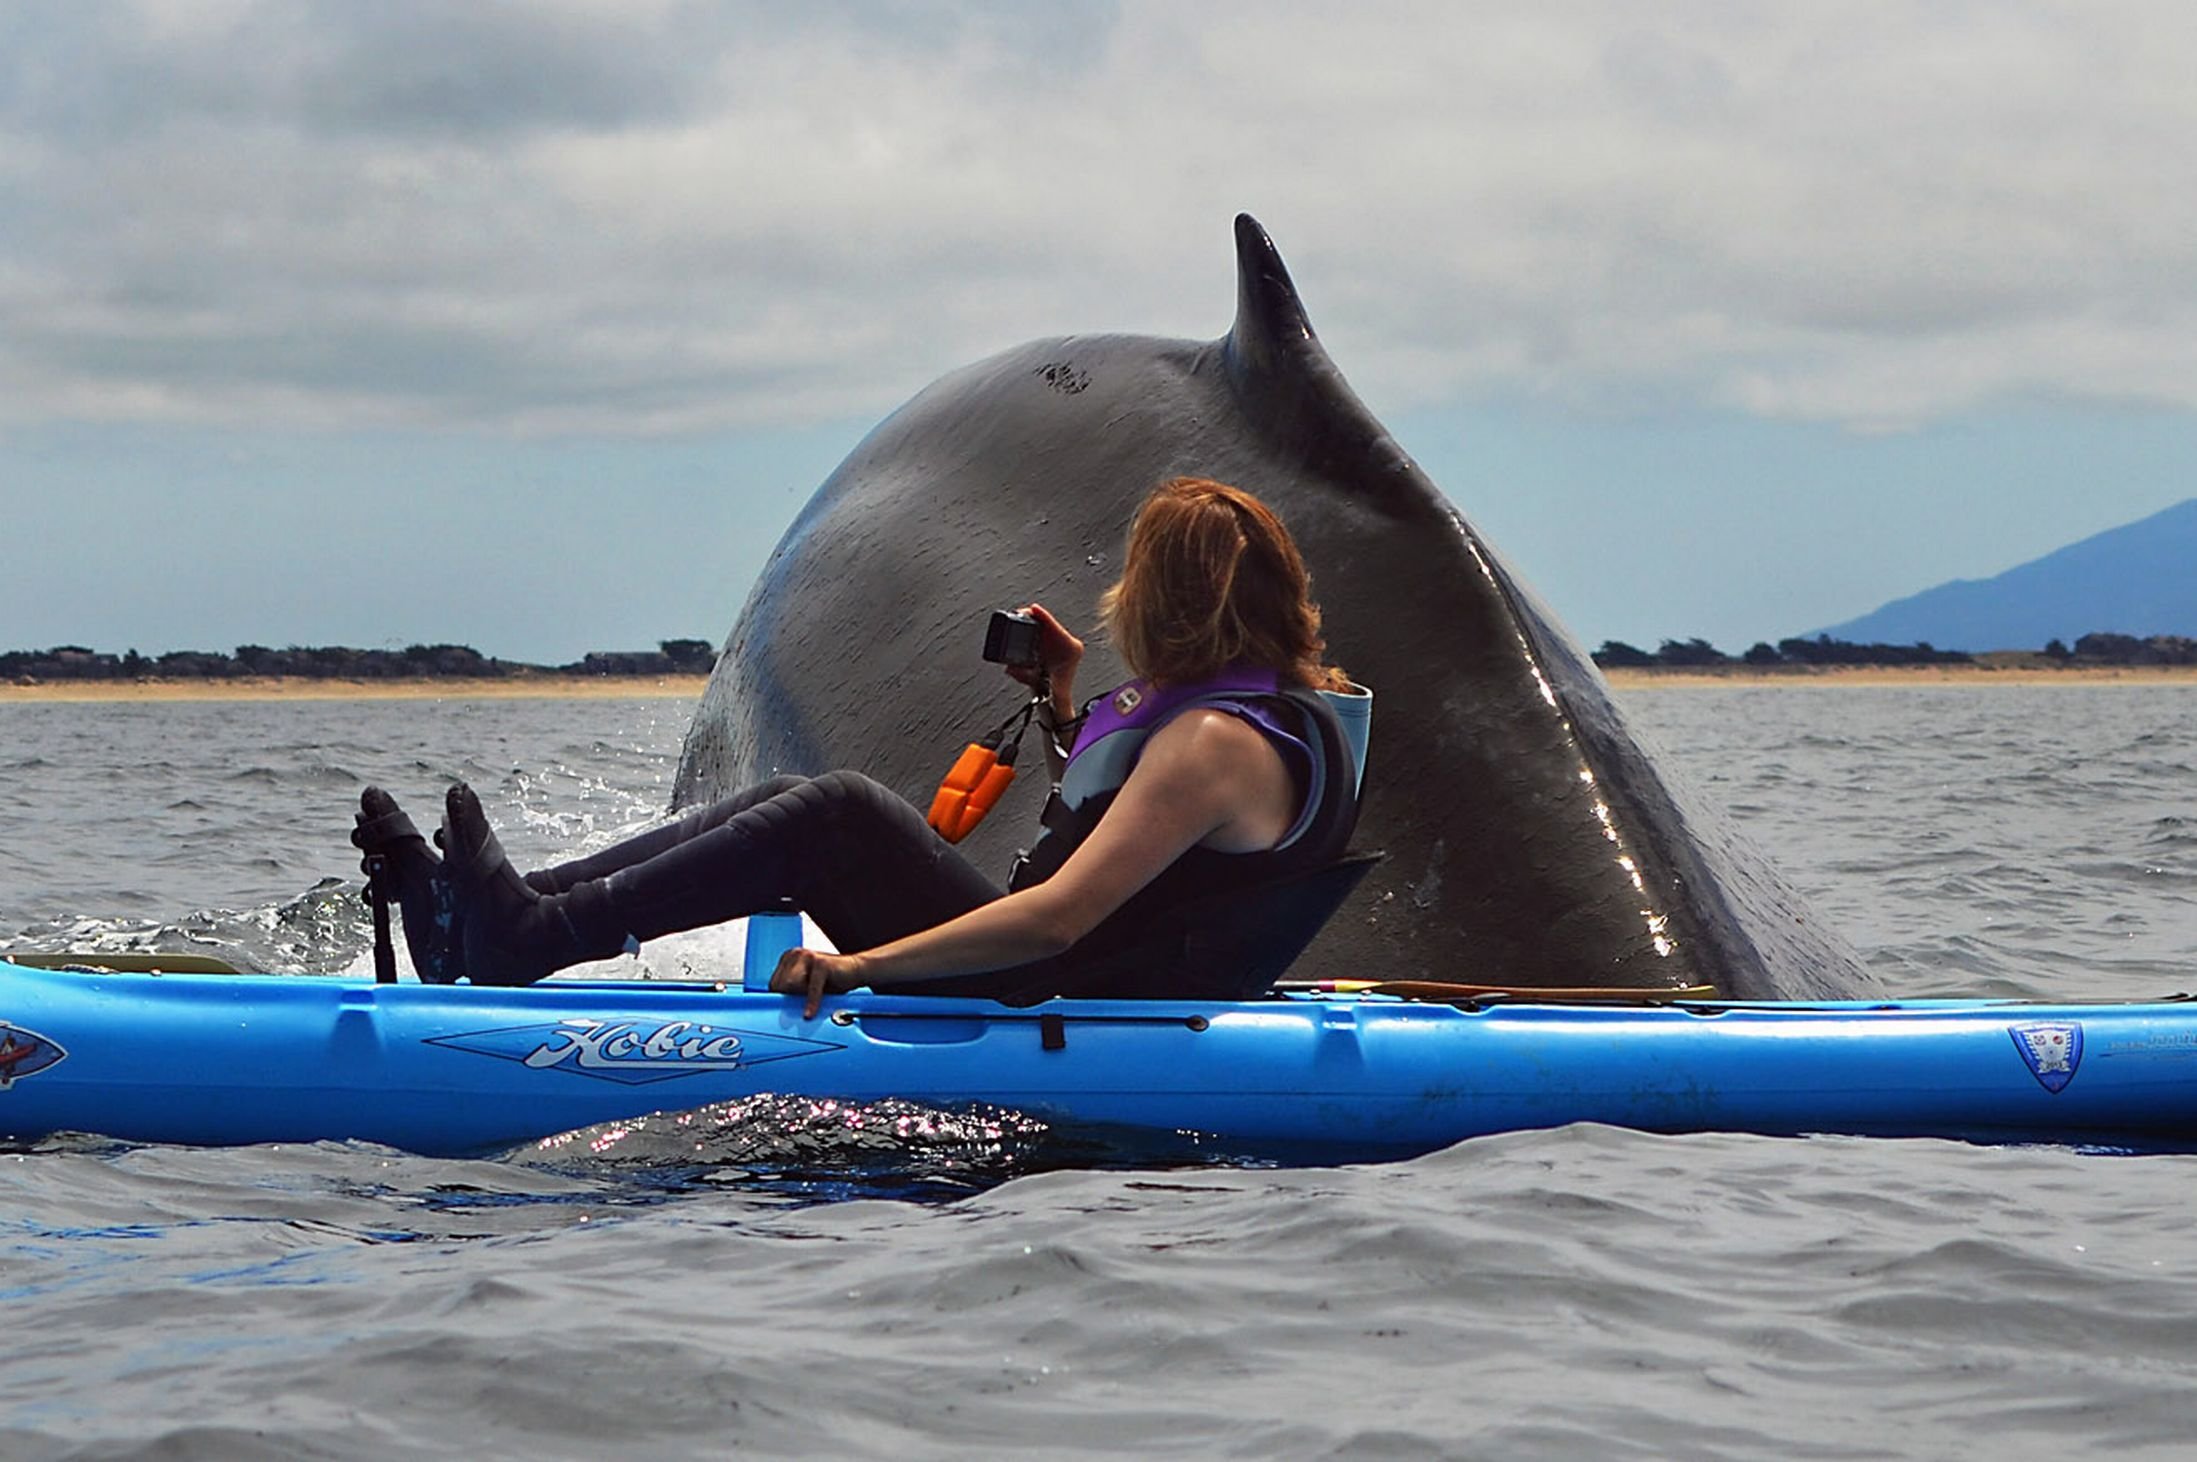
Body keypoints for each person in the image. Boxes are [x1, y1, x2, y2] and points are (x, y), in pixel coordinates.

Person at [351, 477, 1363, 1013]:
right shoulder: (1258, 720)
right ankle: (510, 914)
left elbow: (1059, 918)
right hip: (1082, 968)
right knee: (801, 797)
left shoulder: (1211, 743)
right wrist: (1060, 698)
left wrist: (861, 967)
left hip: (1049, 985)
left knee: (832, 814)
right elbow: (1128, 846)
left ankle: (518, 936)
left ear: (1164, 604)